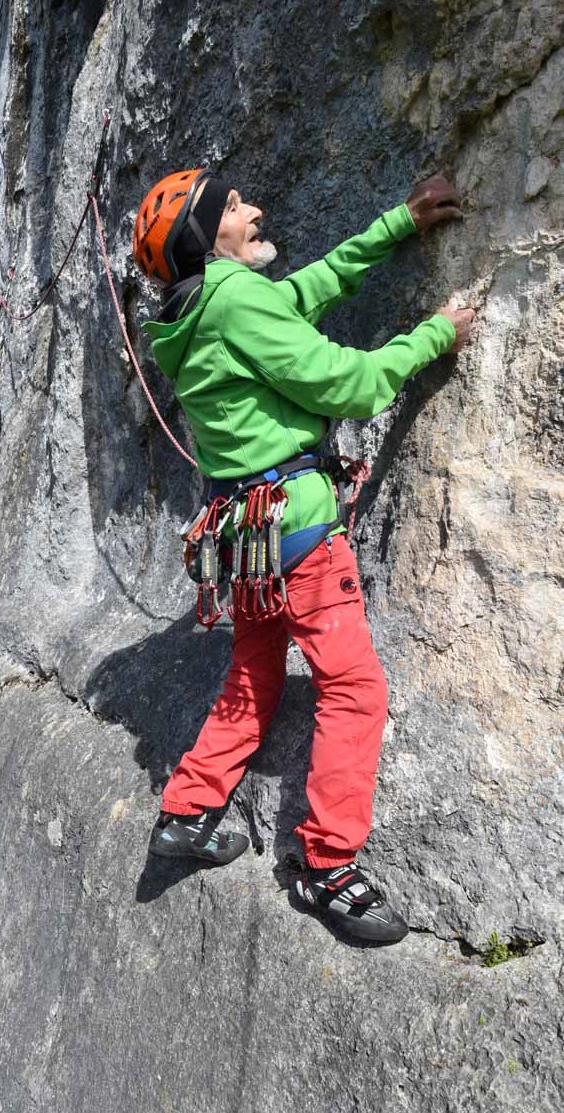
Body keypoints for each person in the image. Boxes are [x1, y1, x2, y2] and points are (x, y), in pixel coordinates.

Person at [132, 168, 475, 944]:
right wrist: (435, 333)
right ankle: (328, 867)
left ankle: (188, 809)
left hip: (244, 540)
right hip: (295, 536)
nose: (252, 209)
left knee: (253, 678)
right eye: (231, 207)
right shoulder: (234, 300)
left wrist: (397, 224)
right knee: (353, 687)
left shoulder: (189, 318)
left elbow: (307, 289)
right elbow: (345, 385)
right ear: (203, 238)